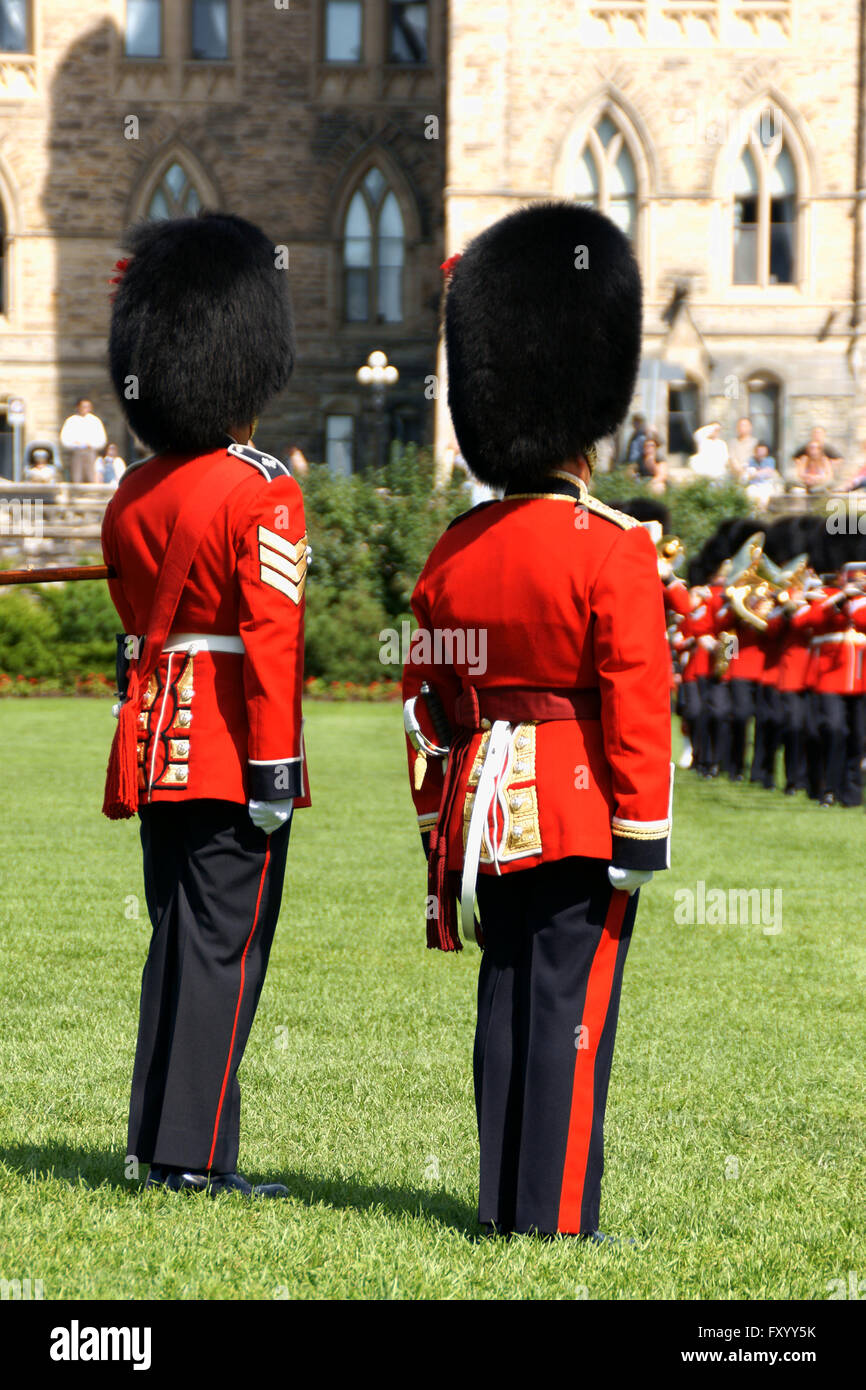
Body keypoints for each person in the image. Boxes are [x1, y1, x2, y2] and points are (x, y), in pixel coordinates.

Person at [402, 202, 672, 1241]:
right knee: (571, 1012)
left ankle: (499, 1201)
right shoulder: (609, 546)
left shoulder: (454, 546)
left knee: (507, 1000)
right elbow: (634, 692)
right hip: (575, 804)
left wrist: (441, 819)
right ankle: (553, 1216)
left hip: (483, 804)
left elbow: (429, 702)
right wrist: (640, 829)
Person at [102, 211, 308, 1199]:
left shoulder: (132, 496)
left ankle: (159, 1144)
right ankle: (190, 1160)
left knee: (176, 945)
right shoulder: (260, 490)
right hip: (230, 746)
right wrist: (276, 767)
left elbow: (135, 624)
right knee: (222, 957)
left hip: (157, 746)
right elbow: (271, 638)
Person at [59, 398, 107, 484]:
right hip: (77, 453)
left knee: (92, 477)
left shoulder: (95, 421)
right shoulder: (72, 421)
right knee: (77, 478)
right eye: (83, 406)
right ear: (78, 407)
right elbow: (64, 439)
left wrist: (91, 444)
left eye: (87, 406)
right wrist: (75, 444)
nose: (85, 408)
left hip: (91, 452)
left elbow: (102, 440)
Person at [728, 416, 758, 480]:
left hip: (751, 474)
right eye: (740, 426)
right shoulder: (732, 443)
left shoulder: (755, 443)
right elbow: (732, 458)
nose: (742, 428)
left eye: (745, 426)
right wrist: (740, 470)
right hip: (736, 474)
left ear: (750, 427)